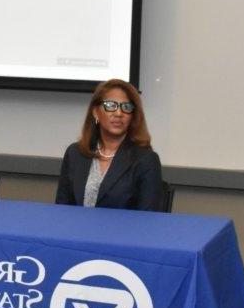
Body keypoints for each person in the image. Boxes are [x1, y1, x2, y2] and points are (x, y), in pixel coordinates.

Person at [55, 78, 163, 210]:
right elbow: (61, 210)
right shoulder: (75, 153)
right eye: (111, 105)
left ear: (132, 116)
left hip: (124, 231)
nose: (119, 113)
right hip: (76, 230)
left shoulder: (146, 160)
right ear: (96, 112)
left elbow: (148, 219)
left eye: (126, 107)